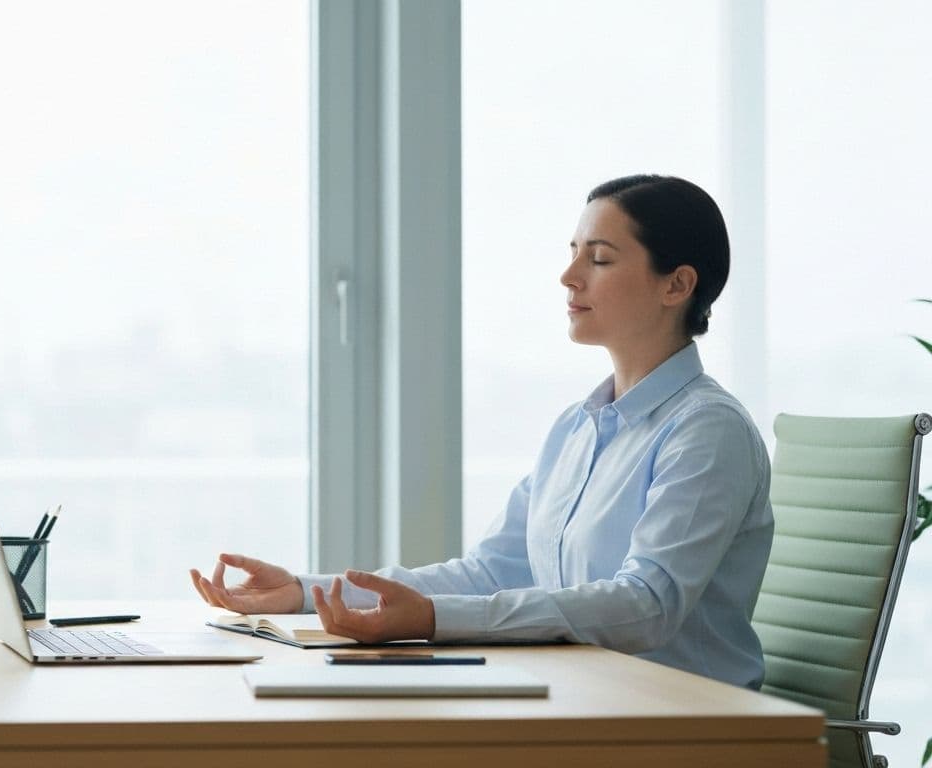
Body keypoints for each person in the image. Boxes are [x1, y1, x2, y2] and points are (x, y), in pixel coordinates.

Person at [189, 174, 774, 690]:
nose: (568, 277)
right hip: (586, 695)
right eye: (573, 253)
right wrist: (307, 593)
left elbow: (647, 605)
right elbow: (491, 570)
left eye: (598, 259)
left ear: (676, 285)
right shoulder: (578, 427)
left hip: (687, 721)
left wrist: (431, 620)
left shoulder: (705, 432)